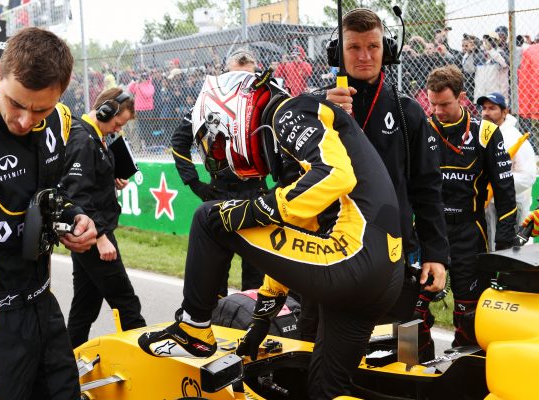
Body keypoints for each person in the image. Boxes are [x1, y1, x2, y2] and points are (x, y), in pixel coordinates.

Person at [139, 70, 404, 398]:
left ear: (232, 115)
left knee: (210, 218)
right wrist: (263, 317)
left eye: (219, 144)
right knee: (326, 391)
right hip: (382, 272)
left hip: (353, 257)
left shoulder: (287, 112)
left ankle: (193, 329)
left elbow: (336, 176)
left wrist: (260, 209)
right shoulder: (303, 125)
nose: (220, 155)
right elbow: (300, 228)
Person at [0, 27, 97, 399]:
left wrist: (73, 219)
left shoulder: (59, 120)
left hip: (44, 313)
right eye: (16, 104)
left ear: (64, 87)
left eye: (39, 108)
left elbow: (46, 196)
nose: (26, 120)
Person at [316, 8, 449, 360]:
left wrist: (436, 253)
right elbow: (286, 174)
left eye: (373, 46)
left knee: (404, 352)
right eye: (354, 47)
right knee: (320, 348)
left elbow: (427, 187)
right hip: (325, 249)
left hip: (392, 254)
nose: (364, 56)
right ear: (337, 53)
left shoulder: (408, 111)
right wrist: (321, 119)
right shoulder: (314, 108)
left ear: (386, 50)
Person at [426, 65, 516, 347]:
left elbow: (505, 191)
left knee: (470, 310)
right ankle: (416, 368)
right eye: (432, 104)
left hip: (469, 231)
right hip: (430, 231)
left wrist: (504, 242)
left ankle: (467, 372)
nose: (438, 111)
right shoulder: (422, 129)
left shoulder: (486, 132)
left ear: (462, 97)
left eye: (445, 104)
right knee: (414, 308)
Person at [171, 48, 266, 296]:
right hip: (220, 193)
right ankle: (215, 323)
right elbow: (178, 142)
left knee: (258, 272)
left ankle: (254, 325)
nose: (242, 83)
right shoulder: (205, 105)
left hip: (256, 194)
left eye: (248, 77)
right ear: (224, 75)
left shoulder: (265, 104)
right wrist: (195, 183)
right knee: (215, 270)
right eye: (235, 76)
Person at [60, 87, 147, 348]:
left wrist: (110, 179)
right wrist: (99, 236)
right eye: (117, 123)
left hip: (91, 233)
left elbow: (87, 180)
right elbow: (76, 194)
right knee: (126, 302)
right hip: (93, 235)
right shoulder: (82, 139)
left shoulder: (94, 136)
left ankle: (66, 362)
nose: (118, 130)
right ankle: (148, 360)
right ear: (105, 111)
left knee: (85, 306)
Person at [477, 92, 537, 250]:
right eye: (484, 108)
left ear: (505, 112)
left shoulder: (515, 138)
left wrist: (497, 182)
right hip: (487, 204)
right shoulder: (481, 135)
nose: (486, 112)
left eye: (492, 108)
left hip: (513, 205)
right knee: (489, 250)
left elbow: (528, 176)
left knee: (513, 253)